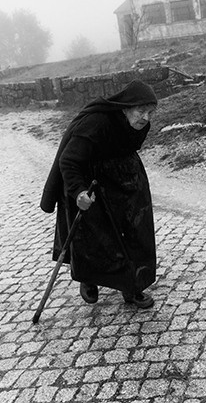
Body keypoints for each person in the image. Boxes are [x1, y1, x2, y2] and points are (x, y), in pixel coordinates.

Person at [40, 79, 158, 308]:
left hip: (124, 181)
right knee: (94, 237)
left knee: (134, 232)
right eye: (141, 111)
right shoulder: (96, 122)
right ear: (126, 107)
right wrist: (78, 192)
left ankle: (132, 286)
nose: (145, 117)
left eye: (150, 112)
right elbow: (70, 160)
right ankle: (88, 278)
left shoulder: (141, 125)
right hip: (89, 181)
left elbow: (127, 150)